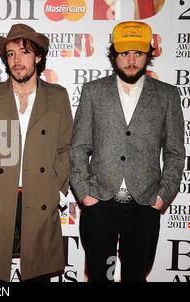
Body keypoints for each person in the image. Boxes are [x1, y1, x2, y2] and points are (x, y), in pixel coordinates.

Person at [70, 21, 185, 282]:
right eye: (124, 53)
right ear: (114, 55)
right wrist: (85, 195)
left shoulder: (167, 95)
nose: (131, 60)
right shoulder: (93, 91)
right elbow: (79, 147)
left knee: (135, 276)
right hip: (100, 203)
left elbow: (175, 152)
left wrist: (161, 198)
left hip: (145, 205)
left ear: (148, 54)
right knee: (100, 276)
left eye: (138, 53)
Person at [0, 24, 73, 282]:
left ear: (37, 57)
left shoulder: (58, 96)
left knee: (37, 276)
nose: (17, 60)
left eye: (24, 52)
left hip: (40, 198)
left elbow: (65, 148)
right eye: (11, 53)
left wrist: (57, 191)